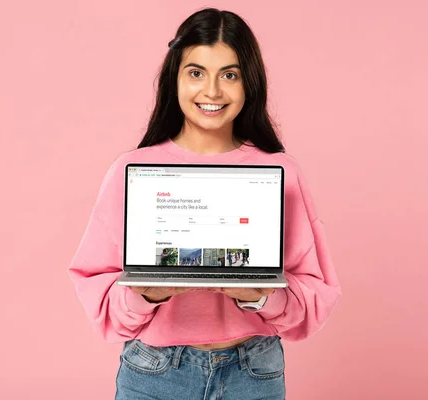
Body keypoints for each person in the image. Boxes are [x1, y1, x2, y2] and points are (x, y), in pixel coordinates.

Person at [67, 8, 341, 400]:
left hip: (254, 371)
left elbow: (314, 293)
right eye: (196, 73)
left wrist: (260, 296)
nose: (212, 92)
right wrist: (147, 294)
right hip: (155, 372)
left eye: (229, 74)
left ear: (249, 82)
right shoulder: (133, 169)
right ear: (174, 79)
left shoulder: (281, 171)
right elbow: (99, 291)